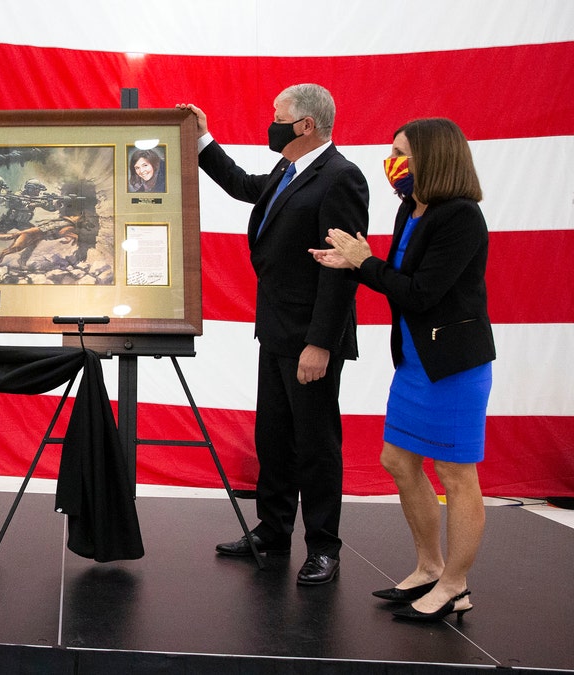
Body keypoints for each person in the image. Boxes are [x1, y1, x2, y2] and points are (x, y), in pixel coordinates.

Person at [178, 83, 369, 586]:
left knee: (316, 444)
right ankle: (273, 530)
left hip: (311, 337)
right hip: (277, 329)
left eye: (278, 115)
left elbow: (340, 270)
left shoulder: (341, 178)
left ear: (306, 125)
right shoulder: (289, 169)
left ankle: (324, 546)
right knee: (276, 438)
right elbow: (245, 186)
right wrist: (202, 140)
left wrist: (321, 343)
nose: (272, 121)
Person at [310, 118, 494, 620]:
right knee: (397, 460)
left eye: (402, 153)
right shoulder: (409, 209)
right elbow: (397, 278)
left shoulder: (460, 217)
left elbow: (420, 292)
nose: (393, 163)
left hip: (451, 367)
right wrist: (355, 264)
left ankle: (456, 585)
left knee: (457, 475)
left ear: (433, 159)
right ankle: (430, 566)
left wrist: (363, 262)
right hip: (414, 362)